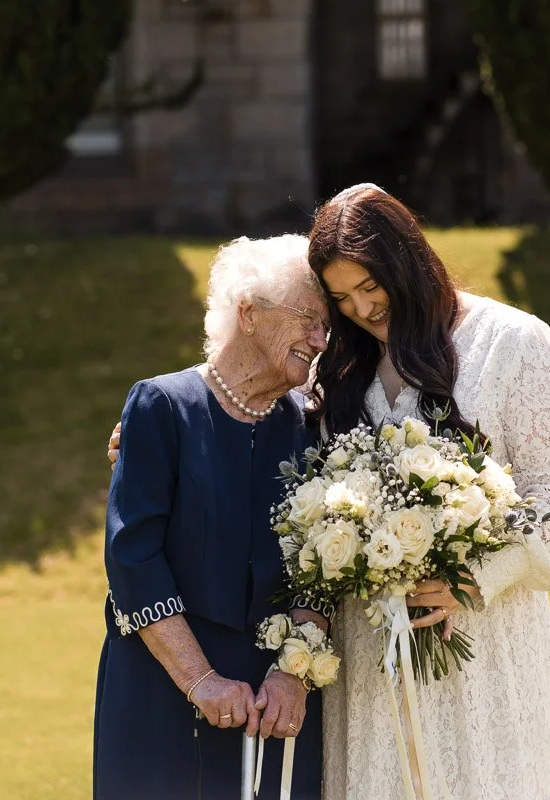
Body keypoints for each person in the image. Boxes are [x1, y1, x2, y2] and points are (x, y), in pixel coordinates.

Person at [307, 184, 550, 800]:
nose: (360, 309)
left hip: (483, 647)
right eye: (341, 299)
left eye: (369, 287)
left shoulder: (512, 344)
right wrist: (156, 433)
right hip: (368, 651)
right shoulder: (339, 369)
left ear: (405, 262)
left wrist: (471, 580)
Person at [94, 234, 332, 800]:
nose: (320, 340)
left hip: (275, 705)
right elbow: (133, 557)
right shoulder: (161, 406)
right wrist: (200, 681)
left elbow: (326, 566)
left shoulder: (315, 425)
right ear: (248, 312)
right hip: (160, 687)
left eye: (328, 327)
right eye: (309, 319)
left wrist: (293, 675)